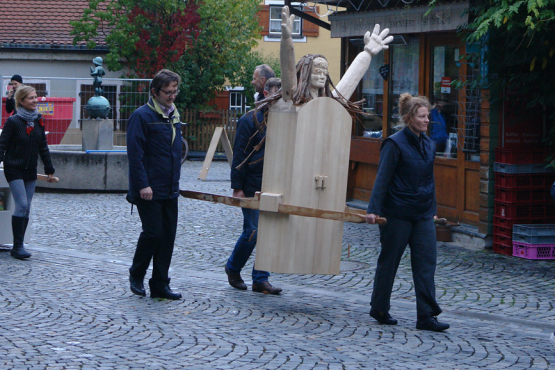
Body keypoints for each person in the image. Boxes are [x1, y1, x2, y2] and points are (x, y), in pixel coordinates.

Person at [365, 93, 449, 332]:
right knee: (389, 262)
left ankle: (426, 316)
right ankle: (379, 308)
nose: (427, 121)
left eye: (428, 117)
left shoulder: (429, 144)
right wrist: (373, 210)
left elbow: (429, 180)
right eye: (422, 117)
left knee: (426, 264)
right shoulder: (394, 143)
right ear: (409, 118)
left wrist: (432, 210)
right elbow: (382, 179)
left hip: (422, 214)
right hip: (396, 214)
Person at [126, 69, 183, 300]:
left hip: (169, 188)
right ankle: (136, 274)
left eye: (174, 91)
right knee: (153, 233)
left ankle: (160, 283)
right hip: (148, 189)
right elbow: (135, 154)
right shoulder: (142, 116)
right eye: (167, 92)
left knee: (168, 236)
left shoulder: (173, 114)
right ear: (154, 92)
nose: (171, 96)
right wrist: (142, 185)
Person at [225, 77, 283, 295]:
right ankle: (233, 268)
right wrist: (237, 187)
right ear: (268, 94)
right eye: (280, 94)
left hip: (275, 183)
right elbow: (239, 155)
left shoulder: (283, 119)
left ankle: (260, 279)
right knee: (253, 231)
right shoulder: (249, 120)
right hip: (251, 184)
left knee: (269, 232)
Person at [0, 85, 56, 259]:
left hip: (30, 170)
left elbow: (43, 147)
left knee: (27, 207)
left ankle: (19, 245)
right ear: (21, 101)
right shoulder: (13, 122)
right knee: (22, 204)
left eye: (36, 97)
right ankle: (17, 247)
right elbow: (2, 146)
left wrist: (49, 169)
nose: (35, 100)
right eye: (31, 98)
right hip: (14, 168)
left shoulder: (39, 119)